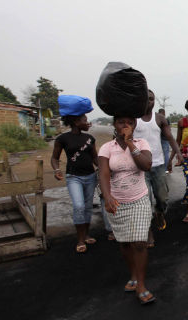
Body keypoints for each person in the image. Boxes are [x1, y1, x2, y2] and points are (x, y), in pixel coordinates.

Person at [98, 115, 155, 304]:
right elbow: (104, 174)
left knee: (139, 242)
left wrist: (130, 143)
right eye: (121, 122)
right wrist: (107, 197)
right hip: (117, 202)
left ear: (134, 125)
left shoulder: (142, 143)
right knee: (124, 243)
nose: (126, 125)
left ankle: (141, 283)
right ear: (115, 124)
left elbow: (146, 165)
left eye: (130, 122)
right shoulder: (107, 148)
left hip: (139, 199)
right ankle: (133, 273)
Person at [134, 90, 183, 243]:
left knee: (162, 198)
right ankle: (148, 233)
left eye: (151, 99)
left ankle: (159, 213)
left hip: (158, 165)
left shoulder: (160, 118)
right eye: (146, 99)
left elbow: (169, 137)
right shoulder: (134, 119)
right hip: (140, 167)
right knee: (145, 200)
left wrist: (178, 154)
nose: (149, 102)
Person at [51, 95, 98, 253]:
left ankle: (86, 235)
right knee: (79, 206)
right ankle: (79, 240)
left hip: (91, 176)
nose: (87, 122)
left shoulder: (90, 138)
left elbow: (95, 159)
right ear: (76, 122)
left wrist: (107, 170)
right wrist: (56, 170)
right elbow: (54, 158)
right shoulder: (62, 139)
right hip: (73, 177)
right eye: (85, 119)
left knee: (88, 208)